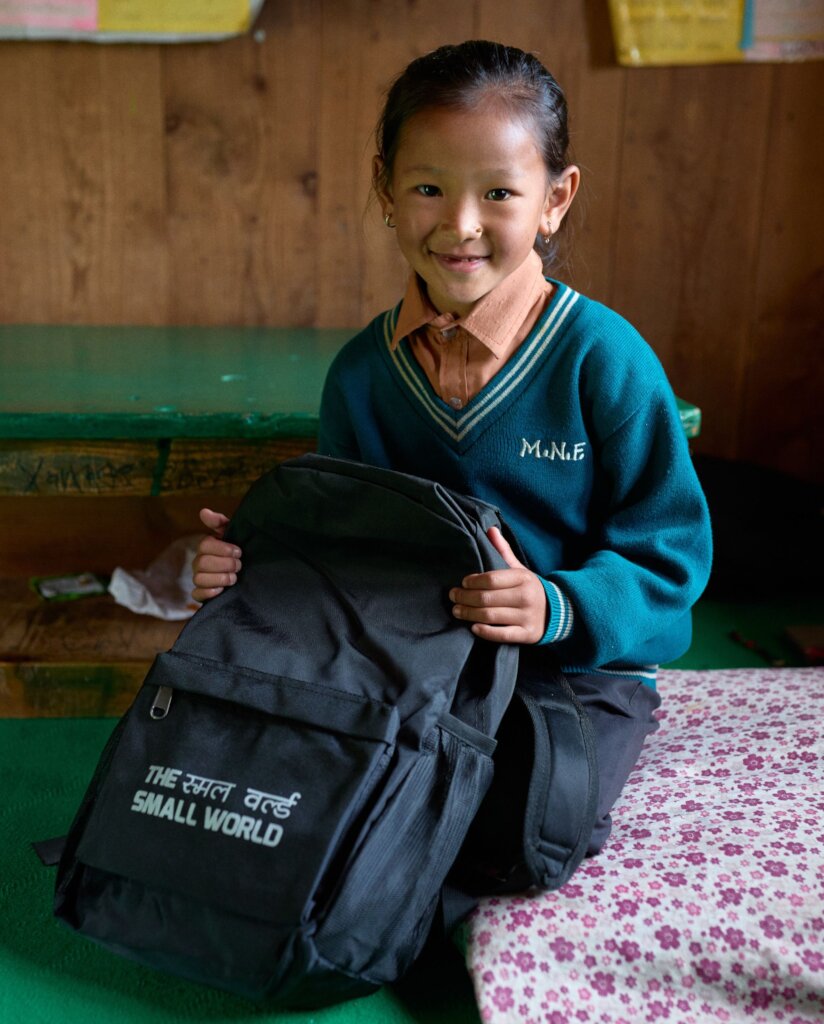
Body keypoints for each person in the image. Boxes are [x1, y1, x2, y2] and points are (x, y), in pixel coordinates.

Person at [192, 40, 712, 855]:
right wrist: (249, 569)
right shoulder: (364, 375)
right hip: (416, 661)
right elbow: (346, 552)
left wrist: (557, 605)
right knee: (290, 786)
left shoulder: (602, 359)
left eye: (499, 192)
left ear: (555, 198)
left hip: (576, 670)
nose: (461, 225)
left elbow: (672, 555)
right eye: (429, 187)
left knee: (532, 822)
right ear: (386, 192)